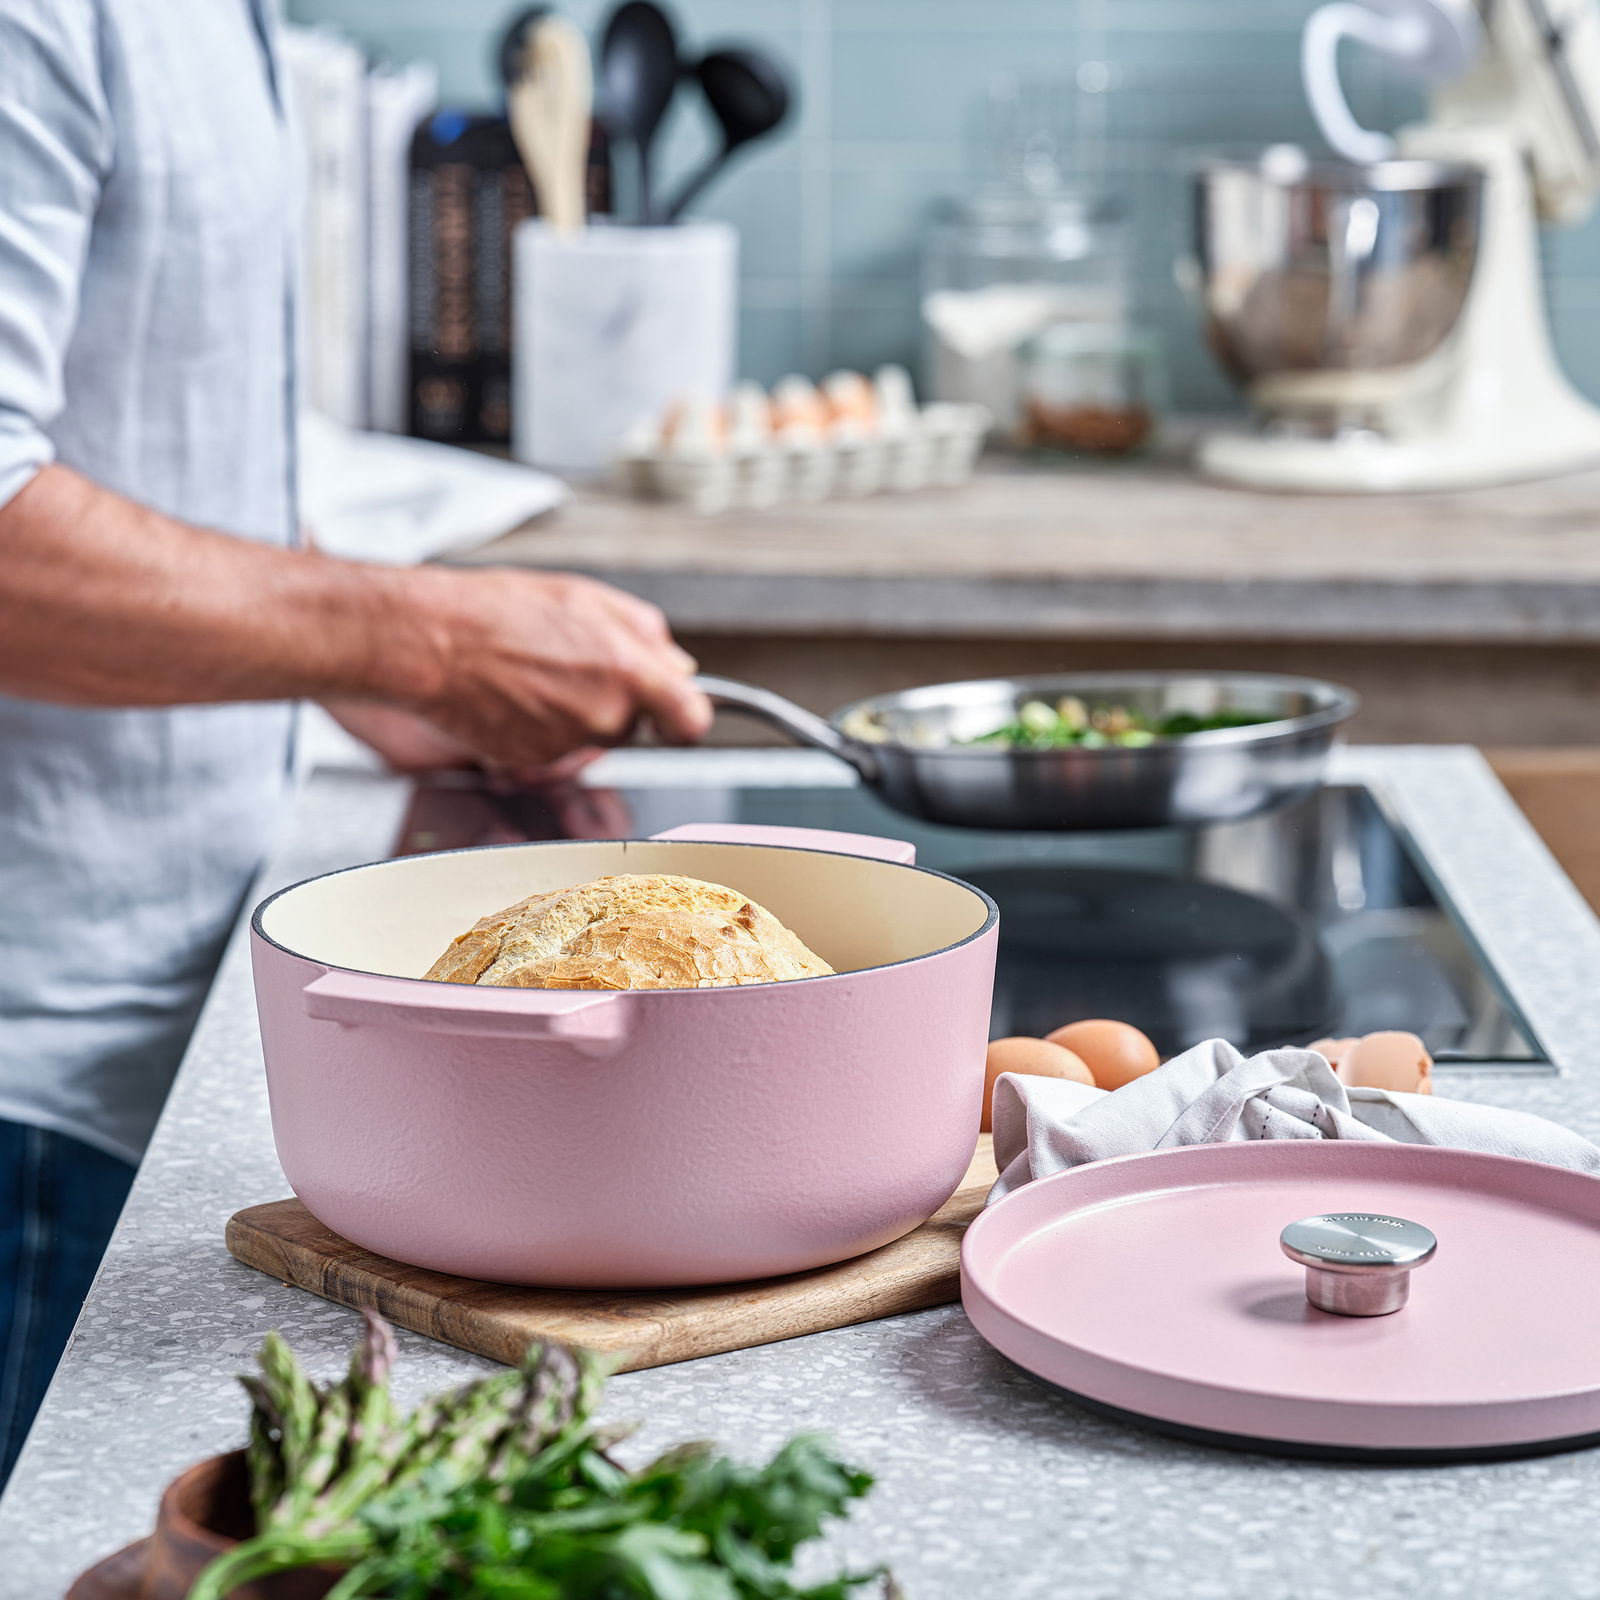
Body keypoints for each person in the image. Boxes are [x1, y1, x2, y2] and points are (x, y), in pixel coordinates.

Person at [0, 0, 710, 1480]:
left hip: (176, 1006)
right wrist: (417, 636)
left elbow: (156, 428)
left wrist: (362, 673)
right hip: (33, 1075)